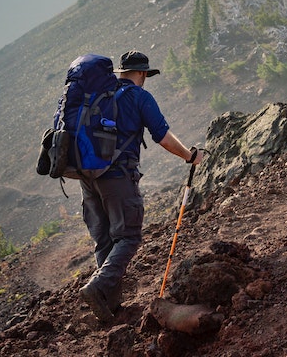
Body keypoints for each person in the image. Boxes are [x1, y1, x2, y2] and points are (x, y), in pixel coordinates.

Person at [78, 50, 203, 322]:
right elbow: (163, 137)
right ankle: (97, 288)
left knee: (105, 240)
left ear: (121, 72)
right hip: (118, 176)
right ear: (143, 74)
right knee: (129, 237)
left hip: (87, 177)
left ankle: (109, 308)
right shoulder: (139, 97)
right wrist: (190, 156)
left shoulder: (99, 95)